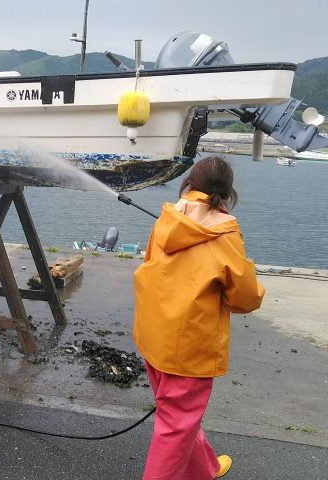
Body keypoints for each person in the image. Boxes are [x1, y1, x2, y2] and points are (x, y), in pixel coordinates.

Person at [133, 156, 265, 479]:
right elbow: (245, 298)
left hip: (154, 335)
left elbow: (150, 264)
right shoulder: (225, 233)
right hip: (189, 347)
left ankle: (204, 468)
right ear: (228, 193)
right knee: (176, 424)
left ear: (190, 183)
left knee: (177, 416)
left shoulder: (168, 218)